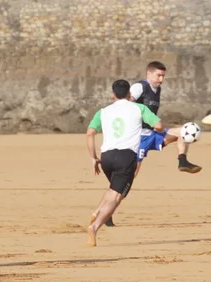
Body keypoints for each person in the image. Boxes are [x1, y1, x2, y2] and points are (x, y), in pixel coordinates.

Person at [85, 79, 163, 246]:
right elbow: (158, 125)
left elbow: (90, 133)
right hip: (126, 157)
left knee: (113, 189)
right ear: (129, 94)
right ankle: (95, 226)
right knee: (116, 196)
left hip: (106, 157)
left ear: (113, 95)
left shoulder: (103, 112)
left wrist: (93, 158)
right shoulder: (139, 108)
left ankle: (96, 212)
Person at [131, 61, 201, 173]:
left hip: (152, 133)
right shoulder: (139, 87)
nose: (161, 79)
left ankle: (183, 162)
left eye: (163, 76)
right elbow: (126, 104)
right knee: (132, 174)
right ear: (148, 74)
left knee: (185, 131)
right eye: (158, 75)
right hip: (138, 136)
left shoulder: (157, 89)